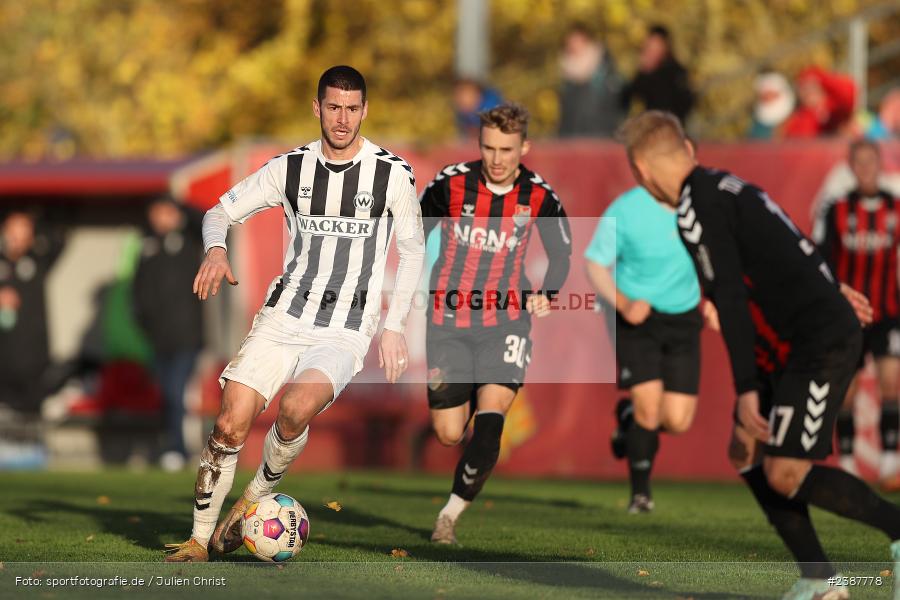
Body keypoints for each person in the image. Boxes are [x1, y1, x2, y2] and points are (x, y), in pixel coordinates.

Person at [617, 110, 900, 600]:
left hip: (817, 341)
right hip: (795, 337)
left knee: (785, 472)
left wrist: (747, 387)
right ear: (687, 149)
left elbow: (729, 296)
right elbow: (791, 242)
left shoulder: (694, 207)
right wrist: (834, 287)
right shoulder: (724, 186)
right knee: (745, 449)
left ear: (641, 173)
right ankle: (821, 580)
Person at [164, 65, 425, 562]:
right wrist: (216, 249)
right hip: (285, 314)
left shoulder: (392, 174)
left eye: (352, 109)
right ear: (317, 108)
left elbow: (412, 249)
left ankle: (257, 496)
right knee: (229, 425)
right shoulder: (289, 168)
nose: (342, 119)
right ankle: (199, 539)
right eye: (333, 107)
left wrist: (393, 328)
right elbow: (218, 211)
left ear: (365, 111)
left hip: (348, 325)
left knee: (295, 408)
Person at [419, 102, 571, 544]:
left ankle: (448, 516)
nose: (498, 159)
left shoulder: (540, 196)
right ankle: (461, 406)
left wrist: (549, 292)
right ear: (479, 144)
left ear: (524, 147)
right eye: (489, 148)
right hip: (446, 320)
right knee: (449, 434)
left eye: (507, 149)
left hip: (506, 321)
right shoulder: (450, 185)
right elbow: (414, 231)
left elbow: (561, 252)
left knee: (492, 419)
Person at [584, 186, 710, 513]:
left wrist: (716, 302)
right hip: (637, 320)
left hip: (683, 318)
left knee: (677, 420)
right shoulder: (626, 208)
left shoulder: (702, 203)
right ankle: (641, 496)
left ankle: (627, 420)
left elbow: (719, 258)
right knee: (649, 410)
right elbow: (594, 263)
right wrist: (624, 305)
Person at [813, 139, 900, 489]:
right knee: (845, 392)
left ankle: (890, 464)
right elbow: (820, 257)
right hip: (848, 314)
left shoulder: (895, 207)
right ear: (850, 166)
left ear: (879, 164)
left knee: (892, 382)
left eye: (870, 162)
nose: (865, 168)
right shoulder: (835, 209)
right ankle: (848, 467)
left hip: (889, 311)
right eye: (858, 162)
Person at [133, 197, 205, 471]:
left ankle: (177, 448)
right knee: (165, 394)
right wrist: (144, 322)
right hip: (158, 338)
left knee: (176, 391)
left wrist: (180, 205)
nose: (160, 219)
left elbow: (206, 219)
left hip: (187, 336)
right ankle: (172, 446)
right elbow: (138, 291)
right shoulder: (147, 246)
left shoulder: (189, 240)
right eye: (156, 213)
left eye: (166, 213)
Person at [0, 211, 64, 416]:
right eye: (13, 231)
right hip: (4, 358)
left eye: (23, 231)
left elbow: (59, 240)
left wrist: (36, 222)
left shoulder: (38, 261)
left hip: (34, 358)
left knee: (31, 417)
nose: (17, 238)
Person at [558, 23, 625, 138]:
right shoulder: (567, 70)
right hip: (572, 135)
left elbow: (613, 101)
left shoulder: (604, 67)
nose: (573, 45)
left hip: (600, 133)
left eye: (576, 40)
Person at [622, 25, 694, 123]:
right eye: (649, 46)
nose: (652, 50)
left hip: (671, 127)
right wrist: (643, 72)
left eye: (655, 45)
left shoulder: (675, 72)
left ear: (665, 46)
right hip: (652, 126)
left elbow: (684, 102)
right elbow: (627, 97)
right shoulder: (647, 71)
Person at [784, 66, 856, 138]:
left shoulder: (835, 107)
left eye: (812, 86)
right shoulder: (798, 120)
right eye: (804, 88)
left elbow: (849, 90)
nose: (808, 92)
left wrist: (820, 77)